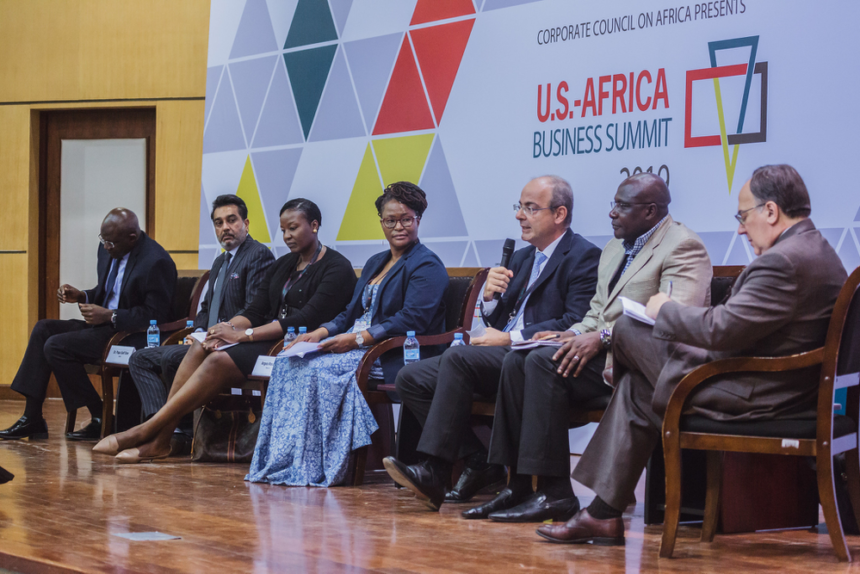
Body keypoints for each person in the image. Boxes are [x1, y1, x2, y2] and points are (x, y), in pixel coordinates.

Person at [537, 164, 848, 545]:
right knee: (637, 384)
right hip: (769, 382)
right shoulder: (813, 249)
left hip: (758, 396)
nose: (739, 228)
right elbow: (739, 329)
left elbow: (722, 330)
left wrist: (664, 309)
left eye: (743, 216)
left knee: (630, 331)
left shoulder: (785, 260)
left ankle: (601, 512)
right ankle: (602, 515)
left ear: (770, 211)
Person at [472, 173, 713, 522]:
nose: (612, 213)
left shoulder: (682, 246)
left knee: (541, 365)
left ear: (650, 211)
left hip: (645, 364)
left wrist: (599, 337)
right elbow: (596, 313)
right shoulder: (615, 248)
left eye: (622, 206)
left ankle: (555, 494)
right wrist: (569, 334)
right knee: (520, 358)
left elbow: (674, 322)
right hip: (602, 353)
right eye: (613, 204)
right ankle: (518, 484)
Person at [383, 175, 602, 512]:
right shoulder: (521, 258)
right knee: (411, 378)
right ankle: (479, 458)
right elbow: (496, 322)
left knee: (459, 361)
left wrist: (512, 338)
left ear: (559, 214)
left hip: (534, 357)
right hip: (499, 356)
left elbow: (574, 322)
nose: (519, 215)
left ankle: (435, 470)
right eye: (519, 207)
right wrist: (487, 300)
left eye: (530, 208)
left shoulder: (584, 256)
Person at [93, 198, 357, 462]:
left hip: (299, 345)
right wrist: (223, 329)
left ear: (314, 225)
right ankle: (161, 440)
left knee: (219, 358)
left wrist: (243, 335)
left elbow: (305, 318)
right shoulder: (284, 264)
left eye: (293, 228)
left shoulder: (336, 266)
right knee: (202, 345)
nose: (287, 236)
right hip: (271, 340)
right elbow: (254, 310)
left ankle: (147, 431)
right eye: (283, 230)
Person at [246, 181, 448, 487]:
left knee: (318, 371)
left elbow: (412, 318)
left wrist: (357, 339)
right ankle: (284, 461)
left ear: (418, 219)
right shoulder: (375, 262)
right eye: (390, 220)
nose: (398, 227)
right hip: (354, 346)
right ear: (381, 222)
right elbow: (349, 312)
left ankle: (317, 466)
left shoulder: (426, 264)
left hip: (389, 353)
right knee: (287, 363)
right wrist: (320, 332)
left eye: (406, 219)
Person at [0, 209, 176, 441]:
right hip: (104, 328)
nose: (105, 248)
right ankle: (32, 417)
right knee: (44, 329)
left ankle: (100, 415)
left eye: (110, 243)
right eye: (102, 240)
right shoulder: (108, 251)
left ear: (132, 238)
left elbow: (155, 315)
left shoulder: (156, 261)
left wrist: (110, 316)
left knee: (56, 346)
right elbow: (109, 293)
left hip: (130, 335)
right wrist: (82, 295)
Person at [127, 194, 273, 424]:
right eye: (219, 222)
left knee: (171, 360)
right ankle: (158, 423)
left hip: (232, 343)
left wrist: (216, 334)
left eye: (231, 220)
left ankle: (172, 428)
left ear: (245, 224)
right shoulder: (219, 262)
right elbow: (205, 309)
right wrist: (195, 334)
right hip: (205, 341)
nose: (225, 227)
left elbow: (254, 311)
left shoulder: (257, 255)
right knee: (139, 359)